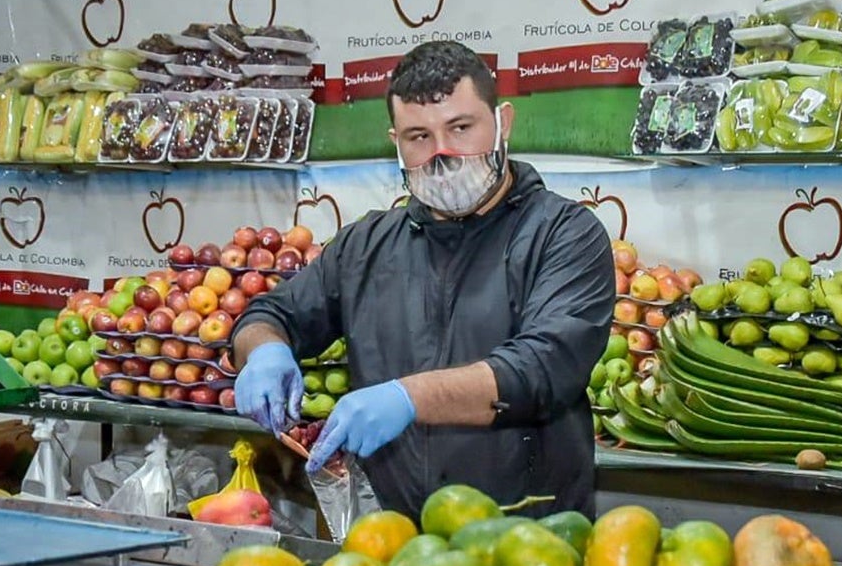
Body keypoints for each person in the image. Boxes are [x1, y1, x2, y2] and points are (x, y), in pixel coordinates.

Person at [230, 41, 615, 519]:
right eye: (419, 137)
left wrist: (408, 398)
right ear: (395, 141)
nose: (442, 154)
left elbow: (545, 365)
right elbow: (270, 313)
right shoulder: (366, 246)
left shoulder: (564, 235)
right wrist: (264, 350)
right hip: (393, 540)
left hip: (529, 541)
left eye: (460, 127)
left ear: (503, 123)